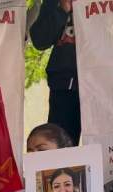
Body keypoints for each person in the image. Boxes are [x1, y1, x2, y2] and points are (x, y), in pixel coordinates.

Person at [29, 0, 81, 143]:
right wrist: (62, 9)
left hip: (103, 79)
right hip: (65, 85)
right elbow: (40, 40)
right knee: (61, 143)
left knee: (105, 144)